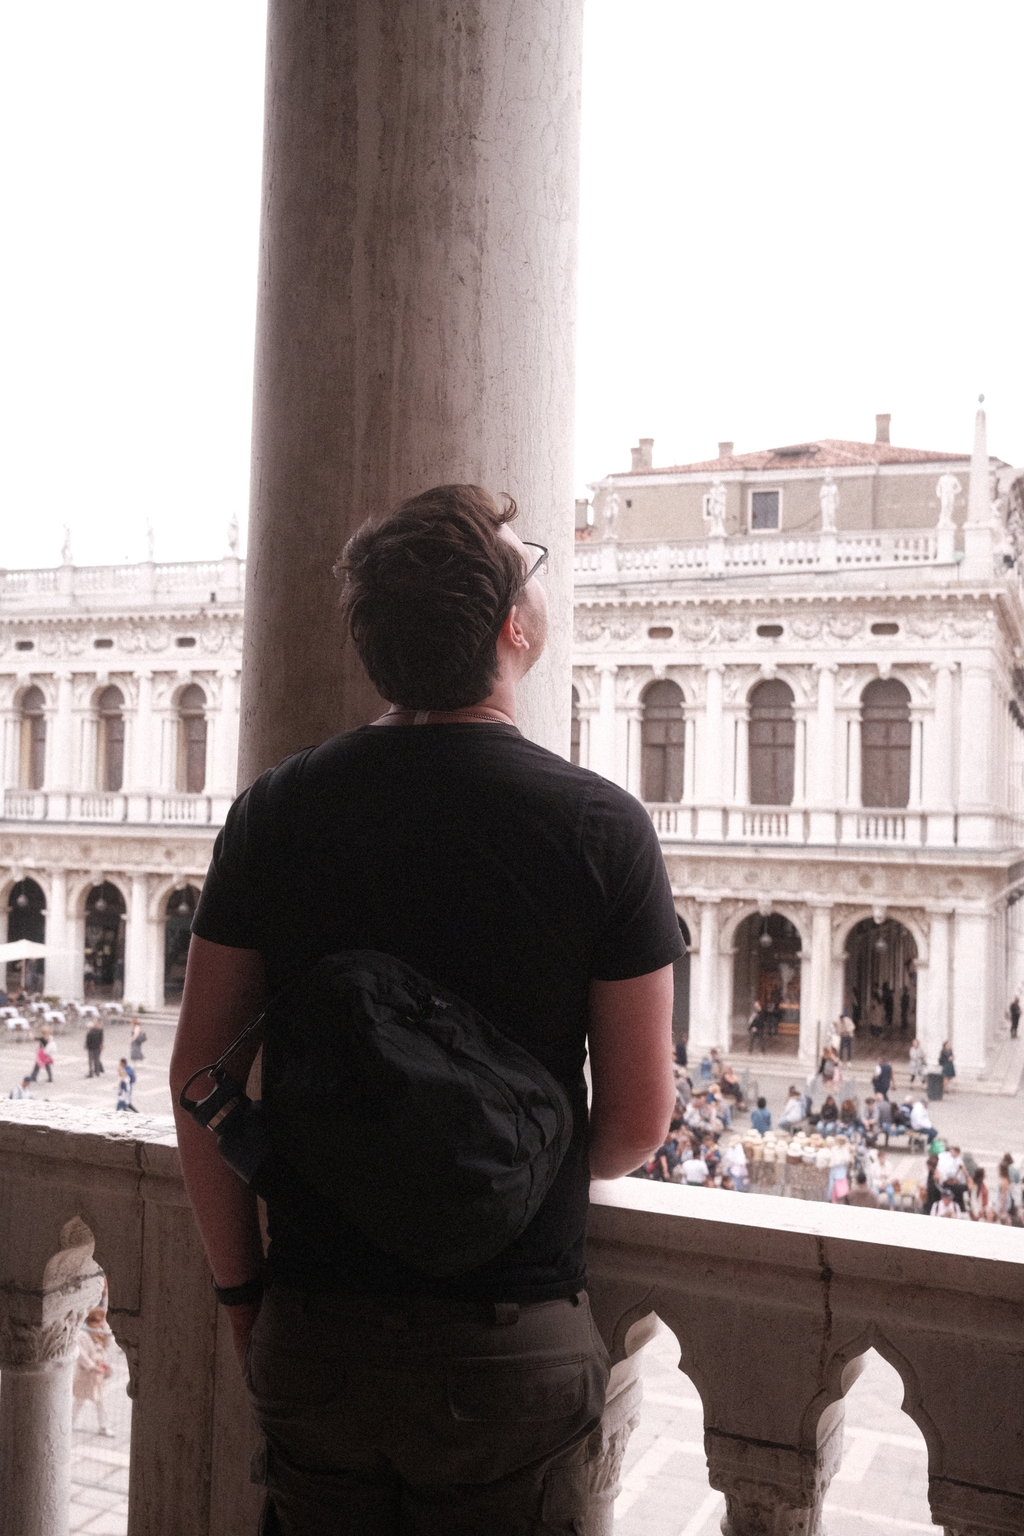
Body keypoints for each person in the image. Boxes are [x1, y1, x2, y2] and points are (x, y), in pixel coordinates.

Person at [168, 485, 682, 1536]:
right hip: (509, 1335)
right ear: (513, 629)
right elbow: (635, 1124)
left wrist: (241, 1299)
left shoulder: (277, 810)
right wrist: (482, 1175)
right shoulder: (600, 828)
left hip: (317, 1330)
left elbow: (199, 1088)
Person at [72, 1308, 114, 1436]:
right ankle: (70, 1423)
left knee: (99, 1401)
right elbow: (81, 1355)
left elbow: (105, 1346)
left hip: (96, 1375)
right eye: (99, 1321)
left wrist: (105, 1331)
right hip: (86, 1374)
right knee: (79, 1400)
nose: (101, 1324)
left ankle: (103, 1426)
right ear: (92, 1321)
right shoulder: (82, 1334)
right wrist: (92, 1366)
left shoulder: (98, 1332)